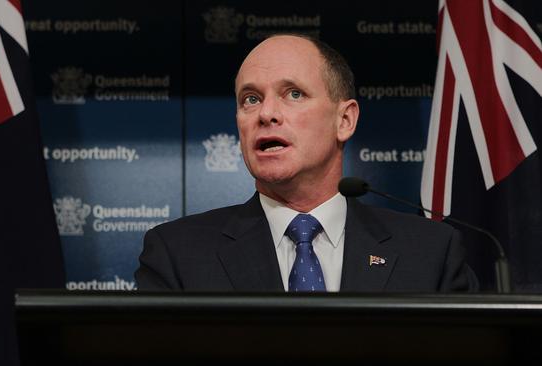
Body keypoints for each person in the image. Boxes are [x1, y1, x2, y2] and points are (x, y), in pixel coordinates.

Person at [135, 34, 478, 292]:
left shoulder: (432, 252)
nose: (266, 114)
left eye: (294, 94)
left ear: (345, 120)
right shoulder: (177, 254)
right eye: (250, 99)